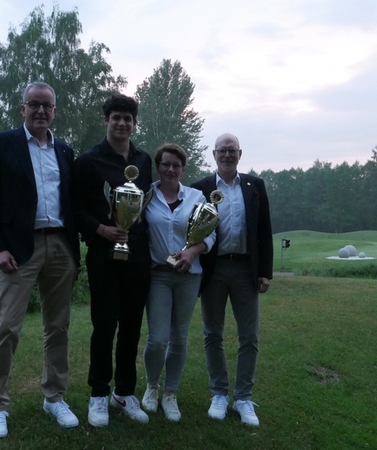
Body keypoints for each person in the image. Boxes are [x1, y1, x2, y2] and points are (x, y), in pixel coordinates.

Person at [0, 81, 81, 438]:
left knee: (58, 327)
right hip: (17, 250)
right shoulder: (2, 144)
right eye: (33, 104)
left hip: (60, 247)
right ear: (22, 108)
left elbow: (73, 202)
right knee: (6, 327)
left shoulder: (65, 152)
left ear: (55, 111)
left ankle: (54, 397)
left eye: (47, 106)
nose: (40, 111)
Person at [72, 93, 152, 427]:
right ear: (105, 120)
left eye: (127, 118)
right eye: (115, 117)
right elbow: (73, 208)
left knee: (133, 326)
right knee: (104, 326)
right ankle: (98, 394)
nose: (122, 123)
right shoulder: (89, 161)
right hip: (104, 255)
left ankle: (124, 392)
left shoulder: (144, 161)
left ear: (134, 123)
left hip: (138, 255)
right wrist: (100, 229)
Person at [191, 133, 273, 427]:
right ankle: (219, 394)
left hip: (245, 270)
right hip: (213, 270)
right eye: (222, 151)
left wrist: (265, 271)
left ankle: (243, 398)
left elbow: (264, 231)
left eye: (232, 151)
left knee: (249, 336)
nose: (227, 155)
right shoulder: (200, 188)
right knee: (212, 334)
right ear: (214, 154)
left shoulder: (254, 186)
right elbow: (194, 232)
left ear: (240, 154)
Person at [141, 143, 216, 422]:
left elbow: (210, 235)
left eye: (176, 165)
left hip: (189, 276)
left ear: (183, 169)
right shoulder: (147, 196)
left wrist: (192, 252)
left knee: (180, 338)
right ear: (158, 166)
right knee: (158, 339)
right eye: (165, 164)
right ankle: (151, 387)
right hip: (158, 275)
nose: (170, 169)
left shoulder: (196, 196)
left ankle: (170, 393)